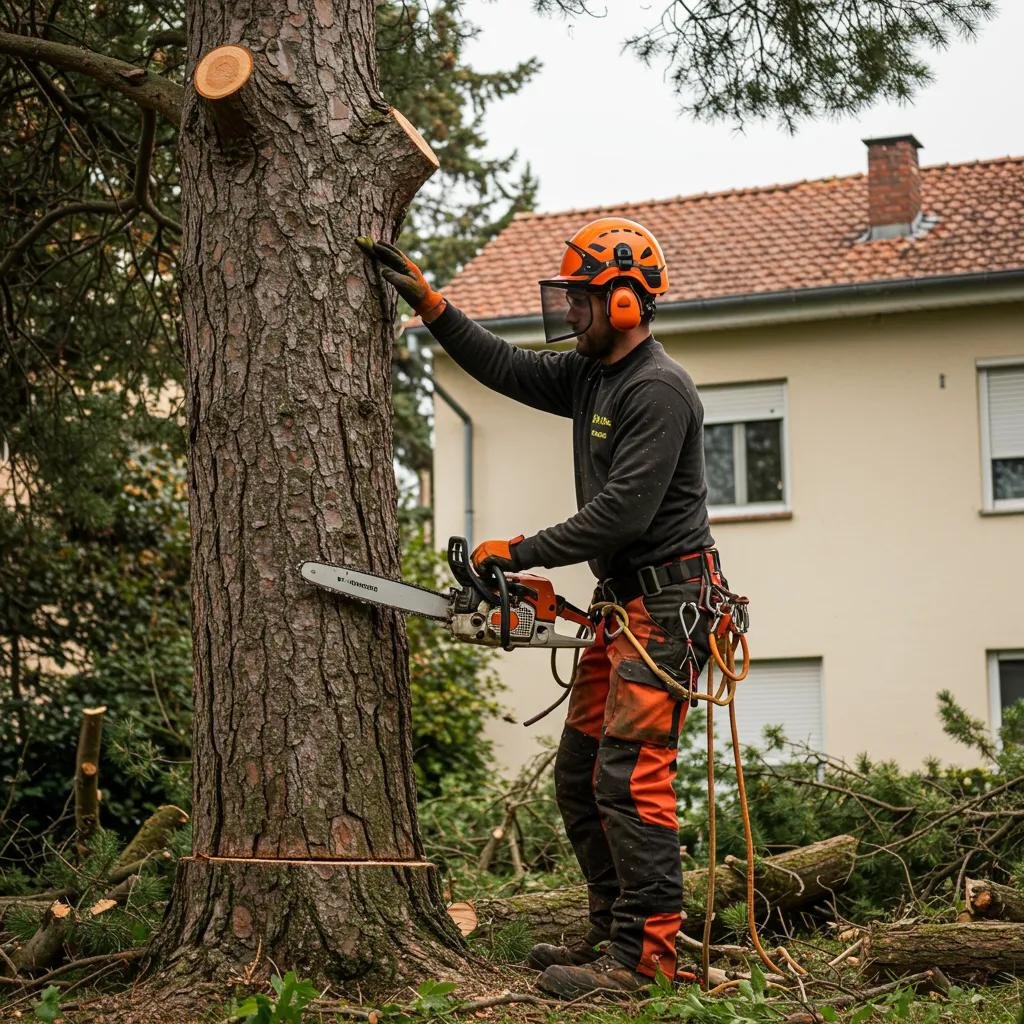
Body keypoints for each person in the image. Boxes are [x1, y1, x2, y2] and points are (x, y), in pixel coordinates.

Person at [357, 219, 721, 998]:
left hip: (669, 606)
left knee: (630, 778)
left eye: (581, 302)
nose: (569, 316)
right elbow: (510, 369)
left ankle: (646, 962)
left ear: (624, 302)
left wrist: (517, 551)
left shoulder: (657, 389)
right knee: (581, 772)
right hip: (623, 607)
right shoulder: (593, 376)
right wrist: (434, 306)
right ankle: (611, 929)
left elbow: (623, 513)